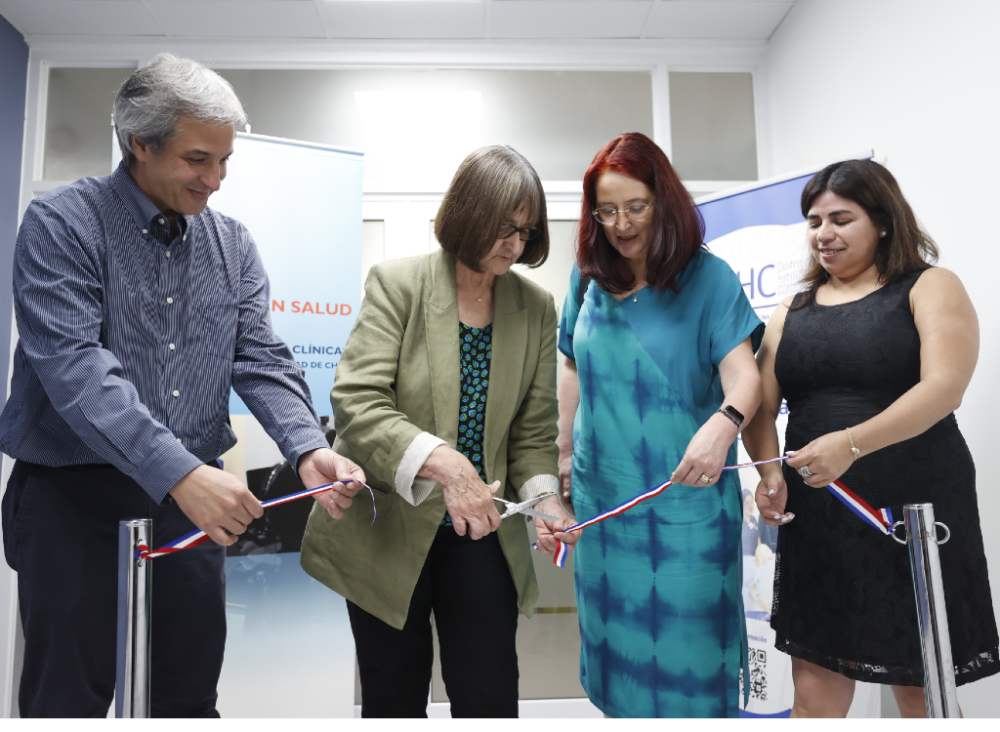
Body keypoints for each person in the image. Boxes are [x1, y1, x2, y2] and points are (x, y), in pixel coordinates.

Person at [0, 53, 364, 719]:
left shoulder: (232, 246)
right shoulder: (62, 225)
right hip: (73, 498)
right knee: (65, 700)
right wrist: (179, 472)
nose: (217, 180)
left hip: (186, 500)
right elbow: (78, 372)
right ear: (140, 143)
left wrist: (308, 448)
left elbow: (259, 357)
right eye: (199, 159)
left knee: (188, 696)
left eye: (226, 161)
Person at [300, 145, 578, 720]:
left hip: (479, 527)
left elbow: (531, 434)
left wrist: (545, 500)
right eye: (504, 227)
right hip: (388, 524)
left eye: (526, 232)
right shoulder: (398, 284)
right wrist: (448, 464)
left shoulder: (535, 306)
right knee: (394, 695)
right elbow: (357, 400)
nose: (515, 244)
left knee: (488, 694)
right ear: (468, 212)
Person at [741, 159, 999, 719]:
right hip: (821, 511)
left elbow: (944, 389)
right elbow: (759, 404)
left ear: (883, 221)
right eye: (813, 221)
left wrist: (851, 443)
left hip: (915, 512)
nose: (823, 234)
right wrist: (768, 472)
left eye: (841, 218)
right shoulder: (793, 308)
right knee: (814, 690)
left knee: (920, 685)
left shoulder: (930, 286)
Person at [557, 132, 764, 719]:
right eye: (607, 210)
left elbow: (745, 379)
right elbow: (571, 363)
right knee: (618, 661)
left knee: (688, 665)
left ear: (664, 200)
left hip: (686, 510)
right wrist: (565, 450)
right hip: (605, 503)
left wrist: (724, 425)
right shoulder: (588, 278)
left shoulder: (709, 279)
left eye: (636, 206)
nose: (621, 223)